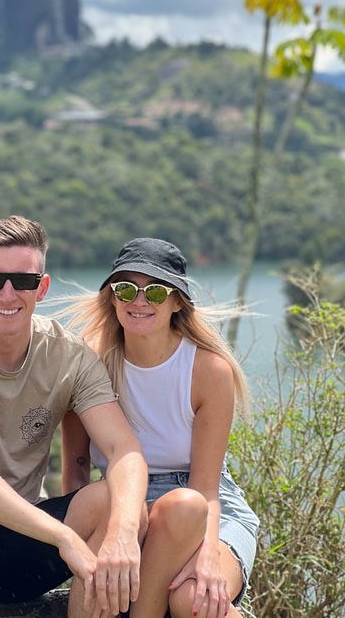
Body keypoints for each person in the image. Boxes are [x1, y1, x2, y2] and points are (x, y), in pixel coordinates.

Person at [0, 215, 148, 618]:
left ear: (42, 287)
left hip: (22, 537)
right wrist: (62, 535)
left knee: (121, 503)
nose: (7, 294)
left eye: (22, 281)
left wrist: (123, 531)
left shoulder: (68, 356)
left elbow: (123, 448)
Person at [59, 237, 259, 618]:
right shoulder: (88, 362)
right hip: (122, 502)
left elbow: (206, 490)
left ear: (177, 301)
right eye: (126, 289)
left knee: (193, 601)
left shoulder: (207, 369)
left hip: (204, 505)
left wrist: (208, 556)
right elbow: (77, 469)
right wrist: (85, 544)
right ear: (112, 297)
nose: (139, 301)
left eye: (154, 290)